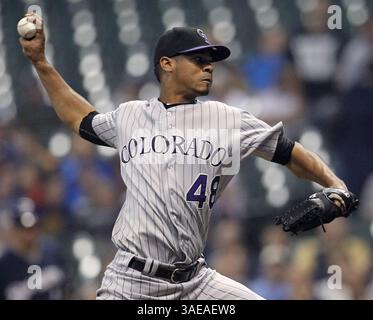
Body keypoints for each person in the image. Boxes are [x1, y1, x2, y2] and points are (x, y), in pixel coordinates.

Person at [20, 12, 349, 300]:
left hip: (195, 281)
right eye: (198, 59)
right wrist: (41, 63)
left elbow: (289, 152)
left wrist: (336, 185)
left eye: (210, 60)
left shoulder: (228, 119)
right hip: (132, 280)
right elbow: (80, 118)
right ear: (167, 64)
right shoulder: (131, 115)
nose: (209, 66)